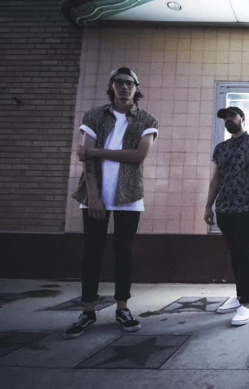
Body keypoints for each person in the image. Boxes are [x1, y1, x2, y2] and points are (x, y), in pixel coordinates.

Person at [65, 67, 158, 339]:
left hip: (129, 194)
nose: (124, 86)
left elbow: (139, 156)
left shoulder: (147, 119)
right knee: (92, 251)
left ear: (136, 88)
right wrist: (94, 195)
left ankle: (122, 308)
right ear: (112, 86)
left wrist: (95, 151)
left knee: (124, 251)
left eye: (129, 83)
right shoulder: (94, 116)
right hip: (95, 194)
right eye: (119, 82)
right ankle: (87, 310)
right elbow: (86, 159)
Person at [204, 106, 249, 326]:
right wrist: (208, 207)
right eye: (225, 118)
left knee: (243, 251)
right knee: (234, 253)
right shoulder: (221, 148)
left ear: (242, 118)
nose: (228, 120)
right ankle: (240, 295)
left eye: (232, 116)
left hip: (246, 208)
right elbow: (215, 179)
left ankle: (246, 304)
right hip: (224, 208)